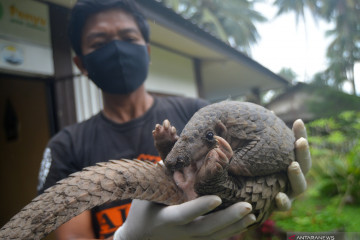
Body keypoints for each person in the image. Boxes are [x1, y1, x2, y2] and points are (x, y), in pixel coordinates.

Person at [37, 0, 312, 239]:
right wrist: (128, 238)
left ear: (146, 52)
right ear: (82, 64)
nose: (117, 50)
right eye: (100, 43)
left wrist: (274, 174)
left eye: (127, 38)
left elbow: (235, 188)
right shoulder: (66, 147)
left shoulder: (197, 111)